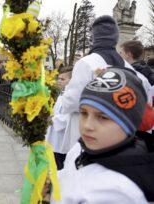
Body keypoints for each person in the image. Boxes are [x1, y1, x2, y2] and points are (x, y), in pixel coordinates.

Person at [51, 68, 154, 203]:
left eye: (103, 117)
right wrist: (49, 182)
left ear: (128, 124)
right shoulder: (81, 147)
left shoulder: (118, 192)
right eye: (84, 113)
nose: (87, 125)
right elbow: (68, 176)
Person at [60, 15, 152, 151]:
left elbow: (72, 102)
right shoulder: (130, 68)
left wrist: (64, 96)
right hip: (119, 137)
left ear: (94, 38)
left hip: (87, 136)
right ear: (115, 39)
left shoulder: (85, 64)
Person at [46, 66, 73, 170]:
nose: (59, 81)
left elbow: (70, 118)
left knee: (60, 167)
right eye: (59, 78)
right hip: (55, 137)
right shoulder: (63, 92)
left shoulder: (73, 95)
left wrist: (52, 119)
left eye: (63, 79)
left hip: (62, 140)